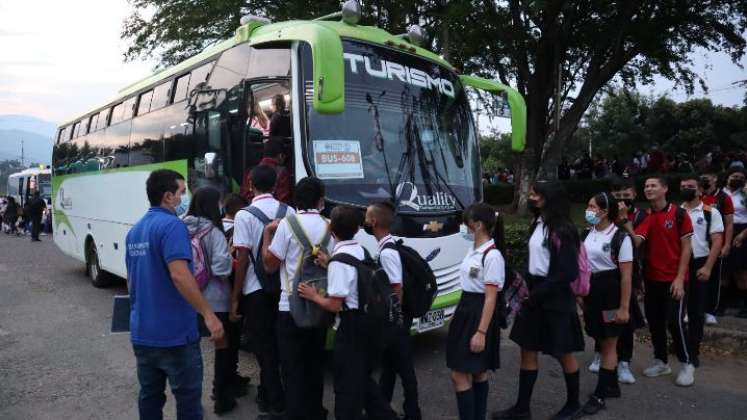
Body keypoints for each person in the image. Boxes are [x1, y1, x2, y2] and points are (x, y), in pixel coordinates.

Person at [125, 169, 224, 420]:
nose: (184, 198)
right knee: (188, 401)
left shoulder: (134, 232)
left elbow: (132, 283)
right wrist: (209, 314)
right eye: (181, 192)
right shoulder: (172, 227)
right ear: (168, 197)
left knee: (150, 397)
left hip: (143, 332)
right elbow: (180, 275)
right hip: (175, 335)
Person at [298, 205, 398, 420]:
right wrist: (330, 264)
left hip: (352, 326)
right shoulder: (361, 250)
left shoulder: (339, 260)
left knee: (345, 382)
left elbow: (335, 304)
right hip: (371, 322)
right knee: (362, 377)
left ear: (331, 229)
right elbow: (355, 277)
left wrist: (313, 295)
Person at [496, 181, 585, 420]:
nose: (533, 197)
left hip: (554, 298)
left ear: (550, 197)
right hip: (534, 295)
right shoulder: (537, 223)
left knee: (563, 352)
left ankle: (573, 405)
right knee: (527, 349)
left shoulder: (563, 229)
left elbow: (568, 273)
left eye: (537, 193)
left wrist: (537, 294)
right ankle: (522, 409)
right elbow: (535, 260)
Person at [260, 177, 331, 420]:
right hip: (320, 304)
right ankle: (316, 411)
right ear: (321, 200)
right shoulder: (329, 225)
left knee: (292, 367)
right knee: (316, 362)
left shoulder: (287, 225)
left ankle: (297, 413)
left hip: (289, 306)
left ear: (295, 199)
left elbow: (270, 265)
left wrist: (267, 234)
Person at [231, 165, 294, 419]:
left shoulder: (243, 215)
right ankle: (282, 394)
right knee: (282, 345)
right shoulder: (289, 211)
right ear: (277, 184)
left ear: (250, 184)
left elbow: (242, 258)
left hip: (255, 290)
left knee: (264, 348)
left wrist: (236, 296)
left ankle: (273, 400)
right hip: (283, 289)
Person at [628, 177, 694, 386]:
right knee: (655, 323)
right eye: (646, 186)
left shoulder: (679, 214)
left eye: (653, 185)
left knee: (675, 322)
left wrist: (680, 279)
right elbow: (636, 242)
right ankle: (661, 361)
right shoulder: (646, 216)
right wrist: (625, 222)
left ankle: (687, 363)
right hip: (652, 279)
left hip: (674, 279)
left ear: (665, 189)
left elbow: (687, 248)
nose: (648, 188)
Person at [365, 201, 422, 420]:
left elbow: (397, 287)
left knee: (404, 368)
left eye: (367, 217)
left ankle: (412, 413)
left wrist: (394, 320)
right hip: (396, 320)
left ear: (374, 221)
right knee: (390, 366)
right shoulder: (387, 246)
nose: (364, 220)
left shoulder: (387, 252)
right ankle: (383, 409)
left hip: (396, 321)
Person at [447, 203, 504, 420]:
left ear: (478, 225)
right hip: (466, 310)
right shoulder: (473, 250)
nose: (463, 227)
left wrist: (481, 332)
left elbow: (491, 297)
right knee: (478, 371)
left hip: (479, 315)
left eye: (466, 223)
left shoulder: (492, 256)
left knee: (458, 373)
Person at [183, 187, 237, 414]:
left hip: (189, 297)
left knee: (189, 351)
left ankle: (190, 400)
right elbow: (222, 269)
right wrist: (228, 250)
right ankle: (221, 397)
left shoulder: (179, 227)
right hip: (215, 299)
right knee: (223, 347)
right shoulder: (213, 231)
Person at [580, 192, 633, 415]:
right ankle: (612, 385)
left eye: (592, 207)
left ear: (604, 211)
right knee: (599, 337)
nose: (589, 210)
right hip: (592, 293)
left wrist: (623, 307)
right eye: (588, 206)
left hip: (610, 294)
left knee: (609, 343)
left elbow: (626, 277)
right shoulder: (586, 233)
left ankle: (600, 394)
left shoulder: (620, 237)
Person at [680, 176, 724, 385]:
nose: (686, 189)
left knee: (696, 310)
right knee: (676, 308)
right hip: (678, 265)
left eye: (690, 187)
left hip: (699, 263)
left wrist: (707, 267)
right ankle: (679, 345)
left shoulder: (710, 212)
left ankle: (693, 350)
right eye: (682, 187)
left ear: (699, 191)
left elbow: (717, 241)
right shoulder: (676, 211)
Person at [608, 178, 647, 385]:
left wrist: (625, 222)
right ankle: (602, 354)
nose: (622, 200)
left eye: (626, 195)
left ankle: (624, 361)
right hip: (607, 277)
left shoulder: (642, 216)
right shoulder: (605, 214)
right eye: (617, 196)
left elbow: (636, 243)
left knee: (626, 319)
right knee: (606, 318)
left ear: (633, 194)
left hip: (629, 275)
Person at [700, 172, 734, 321]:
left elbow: (729, 223)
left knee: (714, 277)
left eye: (708, 176)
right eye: (702, 176)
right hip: (698, 244)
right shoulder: (696, 195)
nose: (705, 179)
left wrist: (727, 244)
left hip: (715, 243)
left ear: (715, 178)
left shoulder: (724, 198)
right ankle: (695, 309)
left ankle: (710, 311)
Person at [723, 168, 747, 318]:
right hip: (722, 231)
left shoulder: (745, 194)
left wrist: (743, 235)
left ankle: (744, 306)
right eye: (734, 176)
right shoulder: (720, 194)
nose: (737, 178)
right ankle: (722, 304)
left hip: (742, 232)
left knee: (741, 271)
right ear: (727, 177)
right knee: (723, 270)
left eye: (740, 177)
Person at [242, 139, 292, 204]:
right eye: (285, 157)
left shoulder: (249, 171)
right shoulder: (282, 172)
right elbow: (283, 199)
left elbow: (244, 196)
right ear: (281, 156)